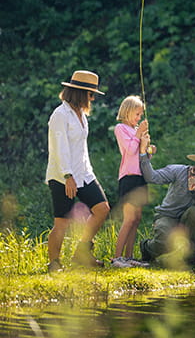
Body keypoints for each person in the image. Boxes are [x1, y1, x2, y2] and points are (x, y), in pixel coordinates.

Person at [45, 70, 110, 272]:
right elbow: (59, 148)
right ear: (81, 93)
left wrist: (84, 174)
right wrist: (68, 176)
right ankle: (54, 264)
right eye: (91, 94)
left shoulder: (81, 115)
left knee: (102, 209)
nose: (92, 98)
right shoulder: (60, 115)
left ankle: (82, 253)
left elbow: (80, 149)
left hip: (84, 173)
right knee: (62, 222)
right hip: (63, 176)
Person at [111, 95, 150, 268]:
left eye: (141, 115)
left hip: (140, 177)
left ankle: (129, 257)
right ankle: (117, 258)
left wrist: (149, 148)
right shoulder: (120, 129)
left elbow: (142, 154)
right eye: (137, 114)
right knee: (129, 218)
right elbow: (131, 149)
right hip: (128, 178)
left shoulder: (136, 130)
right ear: (127, 112)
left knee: (137, 218)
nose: (139, 118)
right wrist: (139, 133)